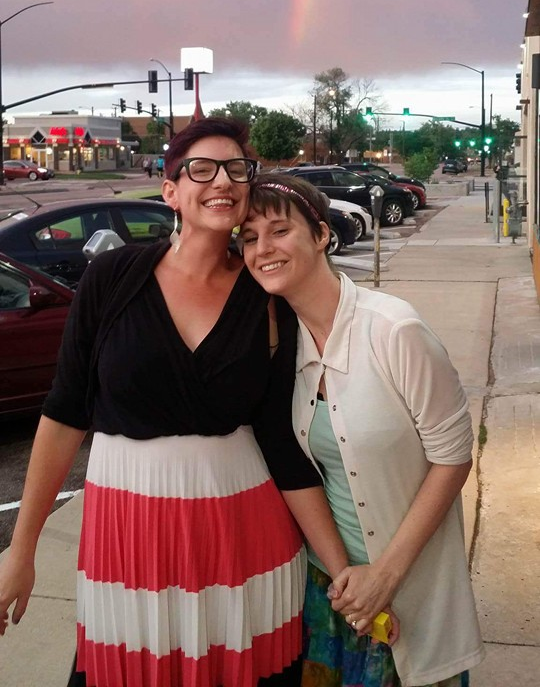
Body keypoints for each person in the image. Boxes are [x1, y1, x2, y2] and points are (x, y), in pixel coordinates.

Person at [0, 119, 348, 687]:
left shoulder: (266, 296)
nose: (223, 181)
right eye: (202, 169)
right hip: (128, 532)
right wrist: (22, 550)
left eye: (237, 169)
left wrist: (341, 571)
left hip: (244, 534)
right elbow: (64, 414)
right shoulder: (113, 278)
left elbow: (281, 442)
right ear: (170, 192)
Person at [239, 173, 486, 687]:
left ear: (322, 235)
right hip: (332, 589)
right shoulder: (283, 346)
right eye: (248, 237)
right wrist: (351, 583)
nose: (263, 249)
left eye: (279, 231)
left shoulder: (395, 330)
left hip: (409, 582)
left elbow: (454, 457)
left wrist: (386, 577)